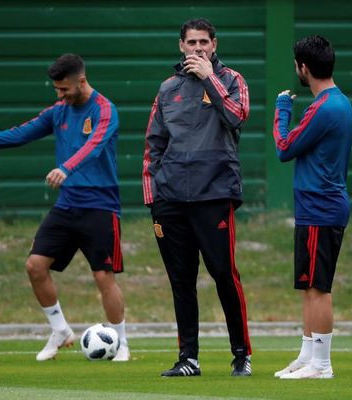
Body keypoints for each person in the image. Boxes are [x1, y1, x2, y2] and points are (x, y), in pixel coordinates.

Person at [0, 53, 130, 362]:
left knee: (103, 277)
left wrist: (66, 167)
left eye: (64, 89)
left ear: (82, 81)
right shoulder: (58, 111)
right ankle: (60, 330)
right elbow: (19, 135)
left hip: (100, 206)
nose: (60, 95)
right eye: (57, 89)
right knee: (35, 266)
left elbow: (94, 146)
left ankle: (122, 343)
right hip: (67, 205)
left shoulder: (105, 109)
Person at [142, 18, 252, 377]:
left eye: (204, 42)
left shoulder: (232, 80)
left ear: (214, 44)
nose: (198, 48)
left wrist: (209, 78)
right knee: (181, 280)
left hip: (214, 194)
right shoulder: (167, 88)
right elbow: (153, 145)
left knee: (223, 274)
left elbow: (237, 116)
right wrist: (153, 198)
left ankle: (241, 354)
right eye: (192, 42)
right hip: (170, 199)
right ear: (181, 46)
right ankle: (188, 358)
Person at [273, 36, 352, 379]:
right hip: (316, 207)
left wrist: (282, 109)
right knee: (309, 285)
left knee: (319, 288)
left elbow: (284, 147)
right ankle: (308, 356)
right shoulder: (338, 103)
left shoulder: (325, 107)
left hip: (321, 208)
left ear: (303, 68)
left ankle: (321, 364)